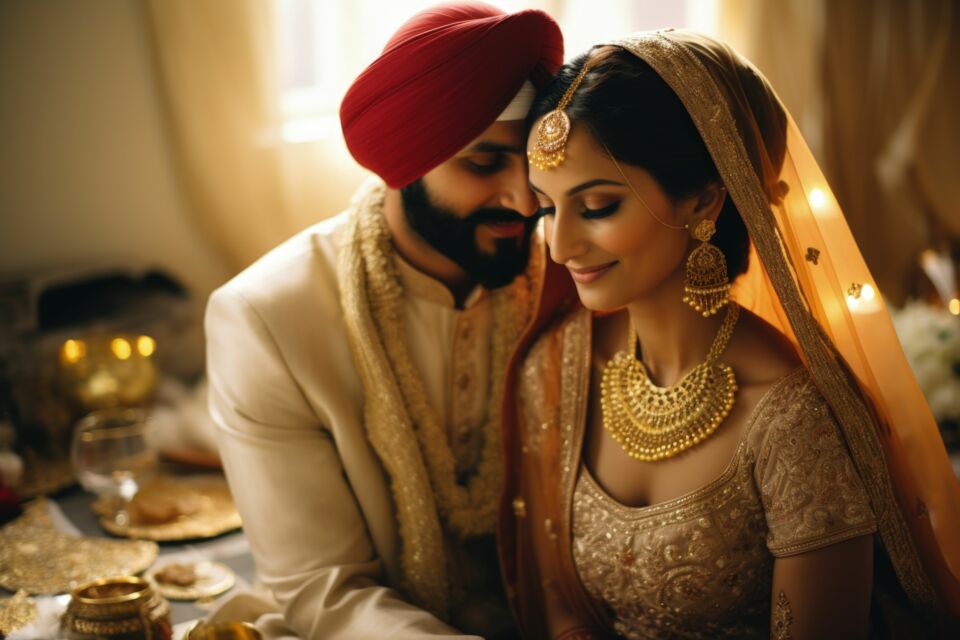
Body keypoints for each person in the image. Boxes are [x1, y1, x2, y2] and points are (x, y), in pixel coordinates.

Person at [498, 31, 960, 639]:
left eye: (599, 206)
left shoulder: (794, 421)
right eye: (547, 208)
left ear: (706, 198)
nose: (559, 247)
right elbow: (558, 606)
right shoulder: (556, 368)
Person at [204, 3, 562, 638]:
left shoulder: (568, 274)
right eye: (484, 164)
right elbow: (324, 590)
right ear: (407, 160)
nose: (526, 197)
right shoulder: (267, 320)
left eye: (531, 163)